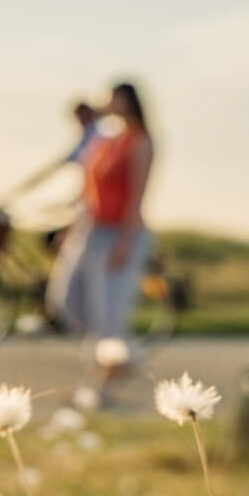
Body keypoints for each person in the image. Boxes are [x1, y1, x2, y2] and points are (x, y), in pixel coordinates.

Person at [46, 81, 156, 385]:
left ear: (126, 100)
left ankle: (107, 379)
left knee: (108, 313)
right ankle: (118, 362)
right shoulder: (104, 139)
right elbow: (87, 192)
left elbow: (137, 196)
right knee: (66, 299)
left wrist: (126, 241)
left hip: (118, 232)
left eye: (112, 98)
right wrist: (69, 229)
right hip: (89, 230)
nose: (106, 103)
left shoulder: (140, 141)